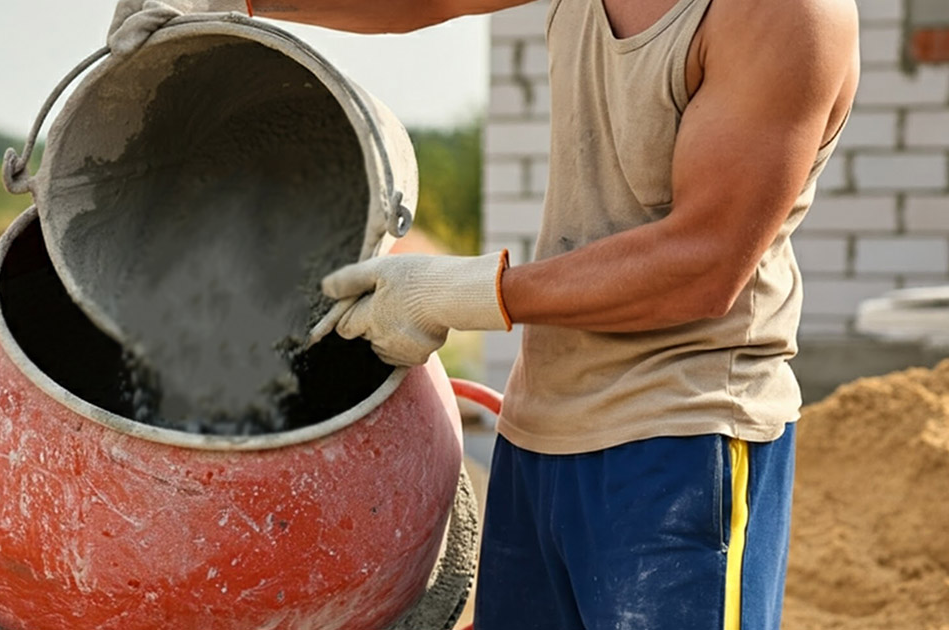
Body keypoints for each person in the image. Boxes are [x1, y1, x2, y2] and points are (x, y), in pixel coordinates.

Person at [110, 0, 860, 627]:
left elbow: (702, 264)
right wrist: (238, 0)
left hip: (682, 441)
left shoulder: (784, 14)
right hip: (543, 433)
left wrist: (465, 294)